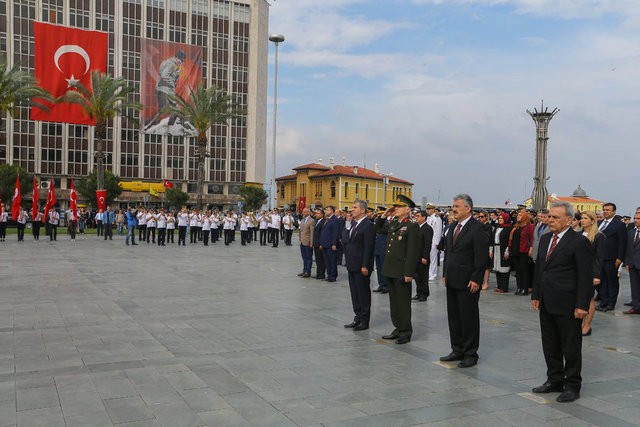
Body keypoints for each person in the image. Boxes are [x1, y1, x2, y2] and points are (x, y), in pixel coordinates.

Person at [531, 201, 593, 403]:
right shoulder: (546, 238)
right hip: (547, 301)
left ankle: (572, 385)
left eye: (555, 217)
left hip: (568, 303)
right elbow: (540, 269)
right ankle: (554, 379)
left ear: (568, 220)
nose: (550, 220)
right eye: (549, 216)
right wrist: (536, 294)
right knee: (550, 344)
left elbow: (585, 276)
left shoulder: (578, 241)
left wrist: (582, 305)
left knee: (570, 346)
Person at [439, 194, 489, 368]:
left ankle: (470, 353)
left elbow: (481, 257)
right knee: (454, 316)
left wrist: (476, 279)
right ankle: (457, 349)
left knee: (468, 317)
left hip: (468, 281)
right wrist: (445, 273)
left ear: (468, 208)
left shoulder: (477, 228)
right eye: (453, 206)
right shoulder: (453, 226)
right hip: (452, 278)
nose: (454, 209)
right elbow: (448, 253)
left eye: (457, 206)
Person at [375, 195, 420, 344]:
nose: (395, 209)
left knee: (403, 303)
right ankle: (398, 328)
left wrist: (409, 272)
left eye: (398, 207)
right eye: (395, 206)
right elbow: (378, 227)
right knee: (394, 302)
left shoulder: (412, 225)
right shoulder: (394, 222)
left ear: (407, 209)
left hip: (401, 270)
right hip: (391, 268)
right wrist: (384, 215)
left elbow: (413, 251)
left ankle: (405, 332)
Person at [343, 199, 375, 331]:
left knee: (363, 293)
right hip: (352, 264)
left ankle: (364, 320)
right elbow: (346, 240)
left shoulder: (368, 225)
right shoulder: (354, 223)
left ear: (362, 210)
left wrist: (365, 265)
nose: (352, 209)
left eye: (355, 207)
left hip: (361, 265)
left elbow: (369, 247)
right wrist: (347, 223)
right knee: (354, 293)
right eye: (352, 207)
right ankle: (357, 317)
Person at [597, 202, 627, 312]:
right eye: (604, 209)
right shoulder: (599, 223)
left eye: (608, 210)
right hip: (600, 258)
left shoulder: (619, 225)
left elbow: (622, 243)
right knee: (602, 282)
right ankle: (603, 302)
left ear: (614, 212)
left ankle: (611, 303)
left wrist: (620, 258)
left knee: (612, 281)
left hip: (612, 258)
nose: (605, 211)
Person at [579, 210, 605, 336]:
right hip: (577, 271)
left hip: (590, 272)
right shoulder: (578, 234)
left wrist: (597, 275)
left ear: (592, 220)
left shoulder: (599, 236)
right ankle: (579, 323)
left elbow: (599, 258)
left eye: (585, 218)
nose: (582, 220)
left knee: (589, 298)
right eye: (581, 218)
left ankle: (587, 325)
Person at [507, 210, 534, 295]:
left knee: (524, 270)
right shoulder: (516, 226)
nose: (518, 216)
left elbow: (532, 239)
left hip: (524, 251)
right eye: (517, 215)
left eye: (520, 215)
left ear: (525, 217)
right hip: (515, 251)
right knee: (517, 271)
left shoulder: (529, 227)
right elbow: (511, 239)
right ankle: (519, 287)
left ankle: (524, 288)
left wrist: (531, 248)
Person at [412, 210, 434, 302]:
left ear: (424, 217)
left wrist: (424, 257)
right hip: (416, 257)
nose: (416, 217)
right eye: (415, 216)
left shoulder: (427, 228)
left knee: (423, 277)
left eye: (418, 216)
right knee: (417, 277)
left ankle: (424, 294)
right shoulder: (416, 227)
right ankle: (418, 292)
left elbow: (427, 244)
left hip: (422, 257)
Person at [624, 212, 640, 315]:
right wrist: (627, 262)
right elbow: (628, 249)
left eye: (638, 218)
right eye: (635, 218)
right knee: (634, 287)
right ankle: (636, 307)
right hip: (633, 264)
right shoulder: (630, 232)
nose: (635, 220)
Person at [492, 212, 512, 293]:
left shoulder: (509, 229)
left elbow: (509, 241)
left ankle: (504, 287)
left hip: (503, 249)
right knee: (497, 268)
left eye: (502, 219)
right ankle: (499, 285)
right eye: (499, 218)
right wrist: (491, 250)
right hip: (496, 249)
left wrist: (507, 251)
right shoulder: (497, 228)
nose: (500, 220)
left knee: (504, 268)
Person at [319, 206, 340, 282]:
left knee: (332, 261)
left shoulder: (335, 220)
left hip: (330, 244)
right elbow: (323, 232)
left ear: (331, 211)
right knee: (327, 261)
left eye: (327, 210)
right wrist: (321, 243)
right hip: (325, 244)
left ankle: (333, 276)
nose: (325, 211)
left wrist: (334, 244)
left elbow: (335, 233)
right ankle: (329, 275)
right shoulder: (327, 220)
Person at [373, 206, 389, 294]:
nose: (378, 216)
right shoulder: (377, 222)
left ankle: (385, 286)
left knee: (383, 267)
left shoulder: (386, 223)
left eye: (380, 214)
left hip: (383, 248)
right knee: (379, 268)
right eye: (378, 214)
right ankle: (381, 284)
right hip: (378, 248)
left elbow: (381, 230)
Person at [426, 204, 443, 281]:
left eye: (429, 209)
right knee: (428, 258)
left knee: (433, 258)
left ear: (433, 209)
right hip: (427, 241)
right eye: (427, 209)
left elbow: (438, 231)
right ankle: (429, 273)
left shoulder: (437, 218)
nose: (428, 210)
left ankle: (433, 274)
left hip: (433, 241)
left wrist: (436, 242)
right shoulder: (428, 218)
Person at [297, 208, 315, 278]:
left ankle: (308, 272)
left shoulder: (311, 220)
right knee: (304, 257)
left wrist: (311, 243)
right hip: (302, 241)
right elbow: (301, 230)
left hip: (308, 242)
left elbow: (312, 232)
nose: (303, 213)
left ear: (308, 212)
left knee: (308, 258)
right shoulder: (302, 220)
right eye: (303, 211)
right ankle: (304, 270)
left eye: (305, 212)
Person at [312, 208, 326, 280]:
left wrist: (321, 244)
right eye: (316, 213)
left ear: (322, 214)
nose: (316, 214)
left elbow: (322, 234)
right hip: (316, 243)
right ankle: (318, 273)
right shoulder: (317, 221)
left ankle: (321, 274)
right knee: (318, 260)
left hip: (320, 244)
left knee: (321, 260)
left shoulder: (323, 222)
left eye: (317, 213)